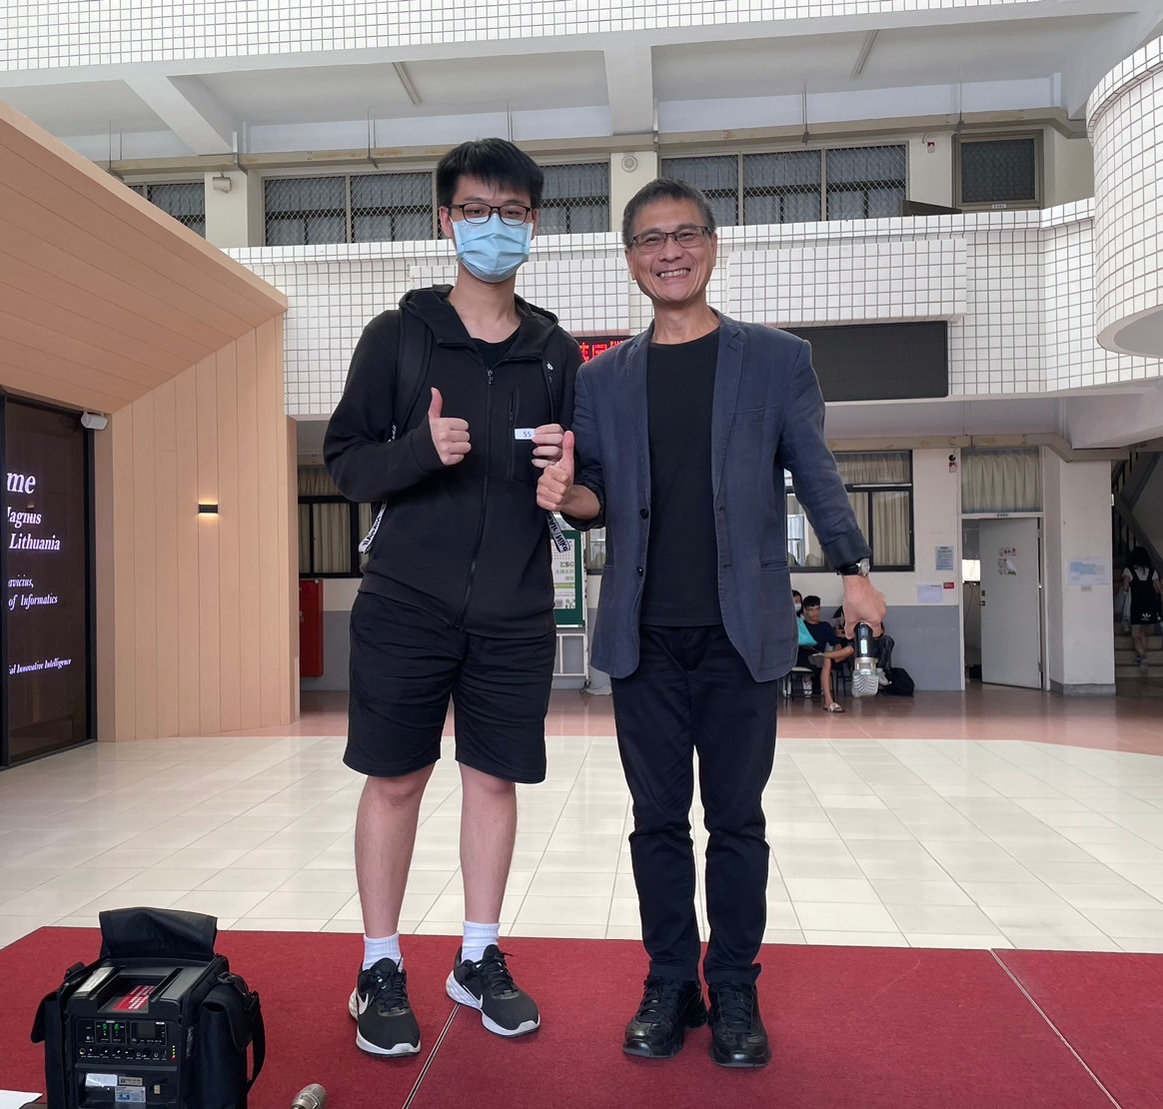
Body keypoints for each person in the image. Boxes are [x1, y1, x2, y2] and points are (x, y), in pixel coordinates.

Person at [536, 177, 885, 1069]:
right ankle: (669, 982)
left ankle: (732, 985)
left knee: (736, 822)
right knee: (655, 822)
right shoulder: (602, 377)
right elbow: (594, 495)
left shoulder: (776, 360)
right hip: (642, 635)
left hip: (742, 634)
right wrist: (565, 494)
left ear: (712, 245)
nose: (670, 252)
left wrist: (853, 569)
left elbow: (815, 469)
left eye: (685, 234)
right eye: (650, 240)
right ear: (630, 259)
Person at [324, 138, 582, 1057]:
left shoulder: (555, 351)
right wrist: (417, 453)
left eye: (511, 213)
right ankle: (378, 963)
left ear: (534, 224)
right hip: (405, 602)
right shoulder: (397, 337)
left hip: (515, 608)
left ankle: (477, 955)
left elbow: (582, 482)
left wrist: (569, 488)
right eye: (475, 211)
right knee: (396, 779)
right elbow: (345, 462)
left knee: (493, 779)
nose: (493, 227)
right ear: (445, 220)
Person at [801, 596, 854, 712]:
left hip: (824, 655)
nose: (815, 613)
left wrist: (834, 653)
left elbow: (837, 644)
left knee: (850, 649)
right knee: (827, 659)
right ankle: (829, 702)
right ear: (805, 610)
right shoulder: (802, 626)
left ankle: (827, 656)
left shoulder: (825, 626)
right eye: (811, 610)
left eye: (817, 609)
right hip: (808, 656)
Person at [1120, 547, 1163, 668]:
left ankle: (1143, 657)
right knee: (1143, 633)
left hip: (1135, 606)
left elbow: (1125, 588)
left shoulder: (1128, 570)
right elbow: (1160, 589)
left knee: (1135, 635)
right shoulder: (1152, 571)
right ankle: (1140, 657)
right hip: (1149, 605)